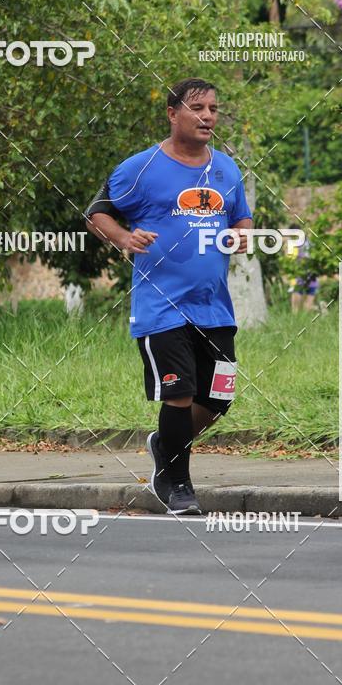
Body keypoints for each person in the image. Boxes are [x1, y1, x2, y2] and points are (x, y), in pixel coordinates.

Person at [85, 78, 252, 514]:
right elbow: (96, 213)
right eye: (197, 108)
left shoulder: (226, 169)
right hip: (162, 307)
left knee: (218, 399)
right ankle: (176, 482)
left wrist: (241, 237)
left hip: (214, 307)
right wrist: (125, 237)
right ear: (172, 113)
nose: (208, 116)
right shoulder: (141, 168)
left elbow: (241, 220)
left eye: (213, 108)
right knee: (178, 394)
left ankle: (165, 443)